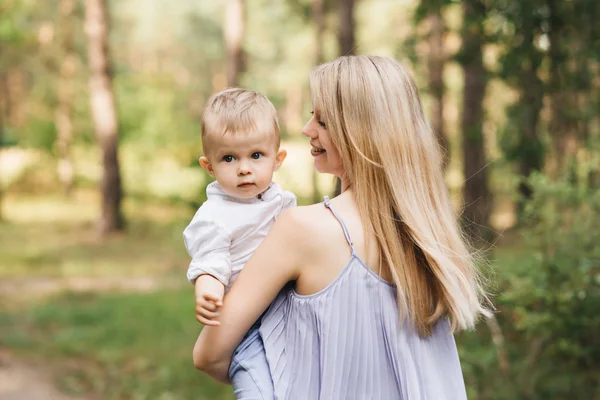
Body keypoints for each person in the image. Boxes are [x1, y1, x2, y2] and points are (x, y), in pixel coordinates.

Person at [192, 55, 490, 399]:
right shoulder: (428, 235)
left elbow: (209, 355)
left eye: (323, 120)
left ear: (360, 132)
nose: (307, 130)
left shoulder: (303, 229)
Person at [183, 88, 296, 399]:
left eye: (256, 155)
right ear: (209, 166)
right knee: (258, 388)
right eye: (229, 158)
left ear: (278, 159)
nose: (244, 168)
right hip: (247, 327)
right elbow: (210, 257)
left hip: (289, 316)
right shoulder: (215, 216)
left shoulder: (281, 201)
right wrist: (208, 286)